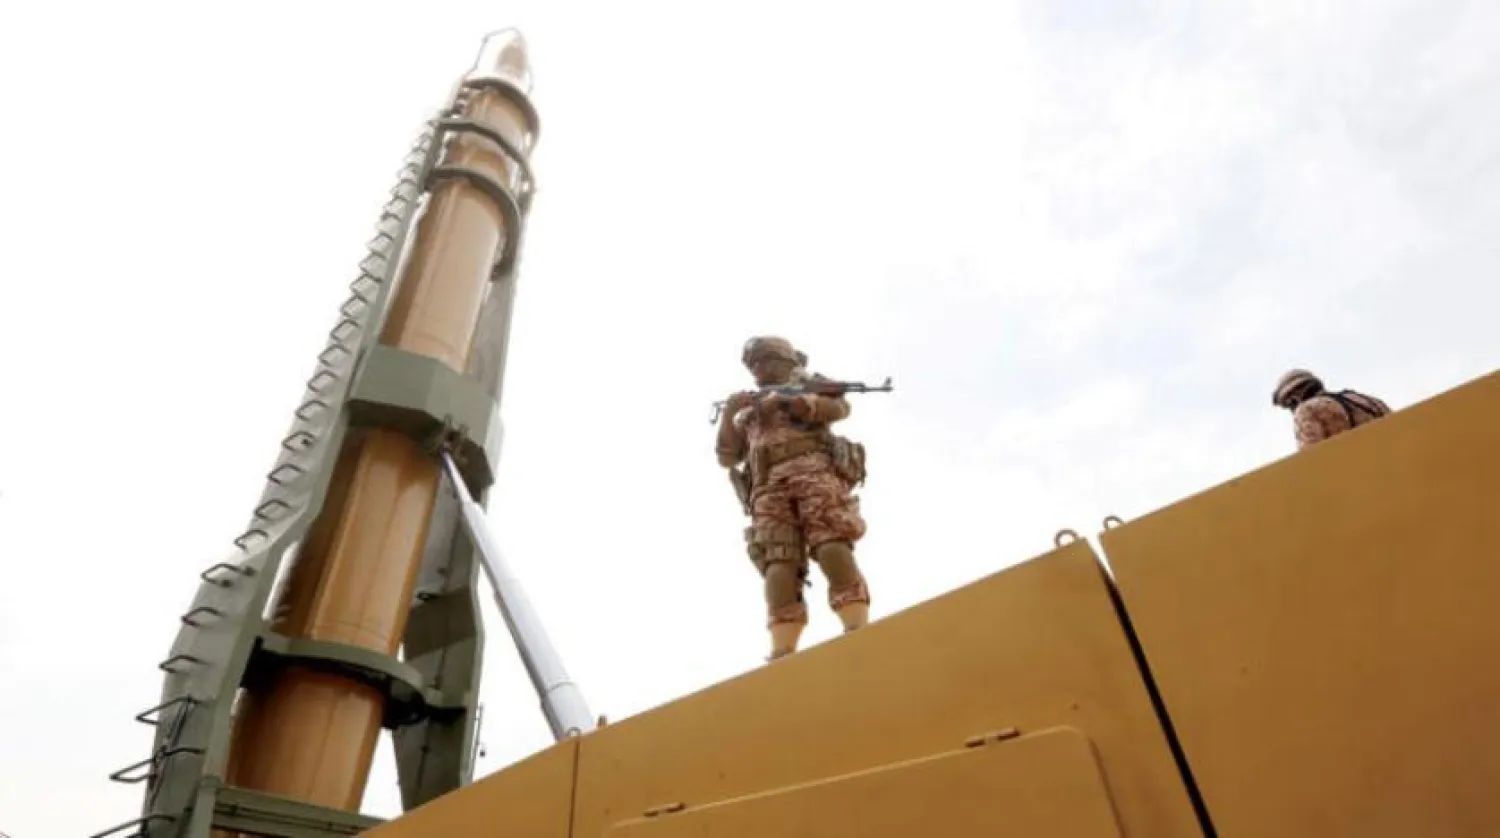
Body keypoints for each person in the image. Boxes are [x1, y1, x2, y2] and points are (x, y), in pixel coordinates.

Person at [715, 336, 872, 661]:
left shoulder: (806, 385)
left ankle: (857, 627)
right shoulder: (747, 408)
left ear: (784, 360)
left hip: (812, 474)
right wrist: (731, 413)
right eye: (753, 363)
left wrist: (789, 403)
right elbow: (727, 456)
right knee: (778, 565)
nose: (758, 367)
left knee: (830, 544)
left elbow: (838, 407)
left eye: (765, 359)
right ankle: (782, 647)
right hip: (766, 488)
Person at [1272, 369, 1392, 450]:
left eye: (1289, 405)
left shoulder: (1306, 410)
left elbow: (1310, 461)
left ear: (1295, 397)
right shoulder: (1371, 401)